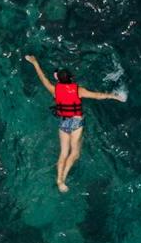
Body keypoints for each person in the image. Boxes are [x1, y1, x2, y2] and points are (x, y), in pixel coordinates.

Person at [23, 54, 124, 192]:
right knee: (75, 153)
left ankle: (60, 181)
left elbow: (43, 78)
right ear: (71, 78)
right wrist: (114, 96)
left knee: (63, 152)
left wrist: (35, 63)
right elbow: (98, 96)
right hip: (76, 122)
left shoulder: (54, 90)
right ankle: (64, 176)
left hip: (64, 123)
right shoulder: (79, 90)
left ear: (58, 80)